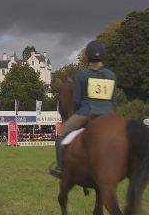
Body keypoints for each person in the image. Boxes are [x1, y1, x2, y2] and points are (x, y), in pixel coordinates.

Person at [50, 40, 117, 178]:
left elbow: (76, 101)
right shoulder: (111, 76)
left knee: (61, 134)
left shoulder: (82, 76)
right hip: (109, 115)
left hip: (87, 113)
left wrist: (77, 112)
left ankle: (61, 169)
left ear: (88, 56)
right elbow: (113, 100)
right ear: (103, 56)